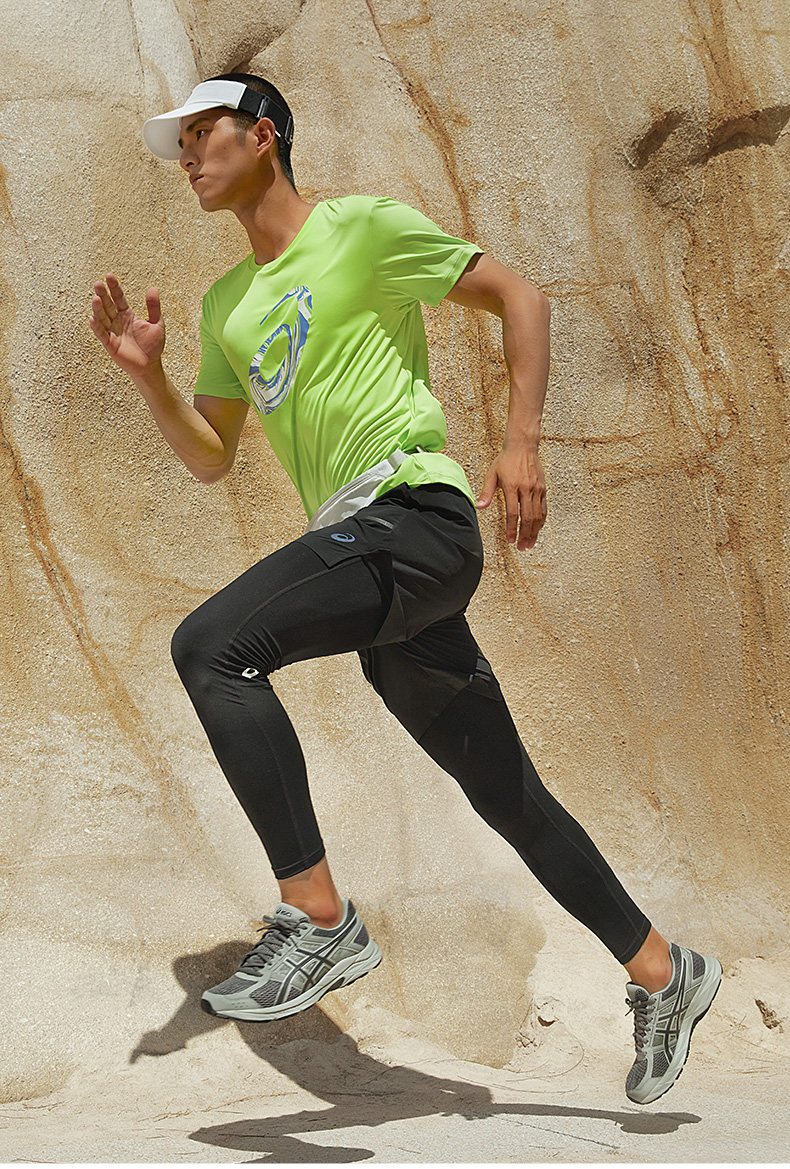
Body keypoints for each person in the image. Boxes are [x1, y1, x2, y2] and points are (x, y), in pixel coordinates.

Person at [89, 73, 722, 1105]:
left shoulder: (361, 230)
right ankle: (664, 970)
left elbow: (520, 295)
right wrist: (149, 376)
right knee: (507, 794)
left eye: (205, 132)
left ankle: (319, 916)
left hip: (415, 516)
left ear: (265, 134)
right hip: (369, 557)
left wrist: (521, 442)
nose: (189, 155)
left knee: (211, 646)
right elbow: (211, 455)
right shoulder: (226, 304)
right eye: (181, 143)